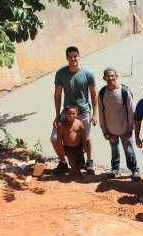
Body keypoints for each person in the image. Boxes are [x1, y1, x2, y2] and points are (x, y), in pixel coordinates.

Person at [50, 46, 97, 175]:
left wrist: (95, 113)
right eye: (70, 57)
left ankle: (90, 162)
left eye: (75, 56)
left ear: (79, 56)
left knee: (85, 138)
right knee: (54, 138)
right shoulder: (61, 73)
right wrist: (57, 115)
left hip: (83, 112)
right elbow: (57, 95)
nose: (72, 59)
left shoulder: (88, 74)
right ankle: (63, 163)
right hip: (66, 112)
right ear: (67, 58)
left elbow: (94, 94)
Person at [98, 68, 141, 181]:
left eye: (112, 76)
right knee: (114, 150)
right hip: (110, 129)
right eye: (107, 76)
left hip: (125, 129)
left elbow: (131, 111)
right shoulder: (102, 93)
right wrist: (104, 130)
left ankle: (134, 170)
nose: (110, 78)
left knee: (129, 150)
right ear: (104, 78)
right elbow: (101, 112)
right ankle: (115, 169)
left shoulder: (124, 92)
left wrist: (130, 127)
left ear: (116, 76)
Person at [56, 105, 87, 177]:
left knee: (81, 162)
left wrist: (85, 146)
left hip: (79, 146)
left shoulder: (79, 123)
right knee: (72, 162)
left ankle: (78, 170)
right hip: (68, 147)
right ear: (65, 114)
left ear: (77, 114)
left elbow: (83, 136)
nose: (71, 115)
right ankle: (76, 172)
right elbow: (59, 139)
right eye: (69, 114)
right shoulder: (61, 125)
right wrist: (61, 151)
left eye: (73, 114)